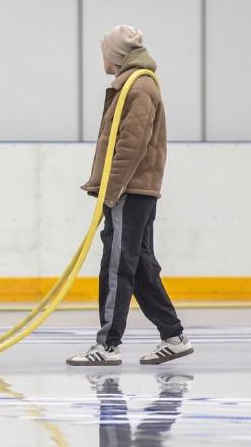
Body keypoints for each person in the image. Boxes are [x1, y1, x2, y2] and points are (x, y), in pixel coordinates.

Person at [67, 25, 193, 366]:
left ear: (117, 55)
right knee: (139, 266)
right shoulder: (134, 84)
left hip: (129, 191)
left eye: (105, 52)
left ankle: (107, 345)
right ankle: (174, 336)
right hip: (134, 190)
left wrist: (111, 189)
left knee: (117, 266)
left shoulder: (137, 86)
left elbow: (131, 144)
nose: (102, 59)